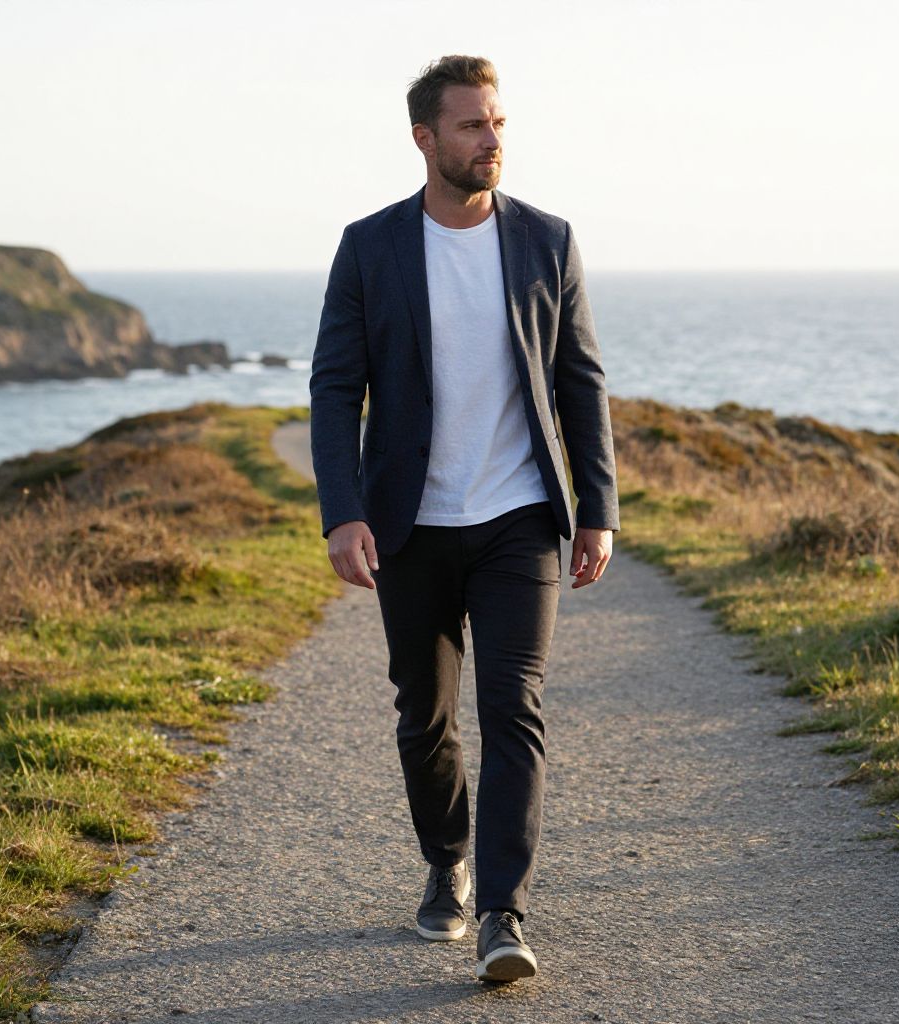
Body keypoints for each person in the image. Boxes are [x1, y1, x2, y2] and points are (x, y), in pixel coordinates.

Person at [309, 54, 620, 984]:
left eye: (498, 123)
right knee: (425, 715)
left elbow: (580, 379)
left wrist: (596, 507)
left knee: (513, 709)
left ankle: (502, 912)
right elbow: (335, 388)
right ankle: (447, 860)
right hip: (412, 521)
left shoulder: (546, 240)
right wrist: (343, 512)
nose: (491, 140)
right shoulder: (371, 246)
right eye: (471, 126)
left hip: (519, 514)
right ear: (425, 139)